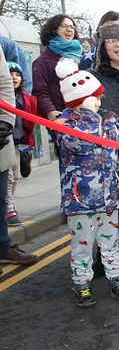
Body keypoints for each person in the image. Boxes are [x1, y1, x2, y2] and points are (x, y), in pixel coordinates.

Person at [53, 58, 119, 307]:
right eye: (92, 97)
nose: (98, 102)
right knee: (82, 246)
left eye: (99, 97)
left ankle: (116, 280)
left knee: (111, 243)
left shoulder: (111, 122)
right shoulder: (64, 124)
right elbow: (77, 145)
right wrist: (88, 116)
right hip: (80, 199)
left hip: (109, 196)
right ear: (77, 99)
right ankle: (81, 283)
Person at [0, 48, 38, 267]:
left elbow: (4, 83)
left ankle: (3, 246)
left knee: (1, 196)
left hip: (3, 140)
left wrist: (6, 122)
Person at [32, 14, 82, 123]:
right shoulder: (42, 62)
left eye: (72, 27)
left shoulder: (78, 56)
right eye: (64, 26)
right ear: (54, 30)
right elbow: (40, 91)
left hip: (81, 114)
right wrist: (50, 111)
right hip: (60, 117)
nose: (69, 29)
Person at [5, 62, 36, 225]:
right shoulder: (4, 97)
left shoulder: (25, 98)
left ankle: (9, 202)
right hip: (4, 141)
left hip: (18, 143)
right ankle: (8, 206)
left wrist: (28, 144)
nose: (14, 77)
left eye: (17, 75)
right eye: (11, 74)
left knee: (16, 175)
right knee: (9, 176)